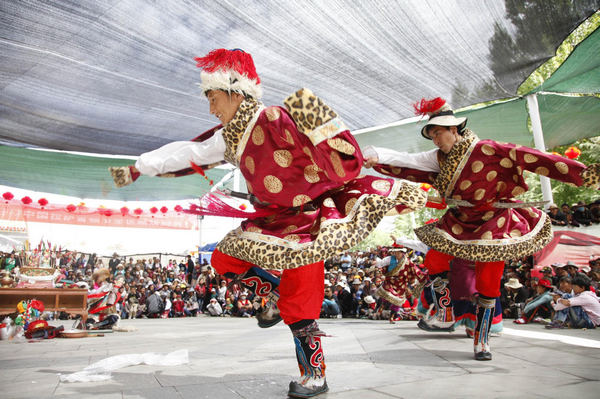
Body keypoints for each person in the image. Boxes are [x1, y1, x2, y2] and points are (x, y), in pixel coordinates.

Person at [110, 48, 426, 397]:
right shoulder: (227, 137)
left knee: (301, 306)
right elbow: (188, 152)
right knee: (224, 259)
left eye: (213, 98)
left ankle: (315, 376)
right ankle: (274, 294)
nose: (211, 108)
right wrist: (141, 166)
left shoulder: (278, 117)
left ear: (235, 90)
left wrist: (311, 111)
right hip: (272, 222)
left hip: (309, 222)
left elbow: (338, 150)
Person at [364, 97, 600, 361]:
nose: (436, 140)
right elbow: (407, 161)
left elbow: (533, 158)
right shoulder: (437, 158)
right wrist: (375, 156)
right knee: (434, 260)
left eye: (438, 133)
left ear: (454, 129)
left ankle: (482, 340)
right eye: (432, 136)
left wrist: (582, 174)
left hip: (493, 223)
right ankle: (446, 310)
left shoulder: (488, 149)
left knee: (489, 284)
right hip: (458, 221)